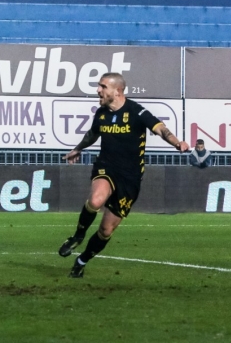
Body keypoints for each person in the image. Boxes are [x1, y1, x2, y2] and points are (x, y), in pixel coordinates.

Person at [59, 72, 189, 278]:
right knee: (95, 200)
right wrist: (78, 149)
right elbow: (93, 134)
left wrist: (177, 143)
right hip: (106, 167)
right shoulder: (101, 113)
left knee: (106, 231)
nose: (98, 90)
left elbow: (160, 128)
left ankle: (81, 260)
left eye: (102, 86)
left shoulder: (137, 112)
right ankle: (78, 235)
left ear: (117, 91)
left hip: (130, 177)